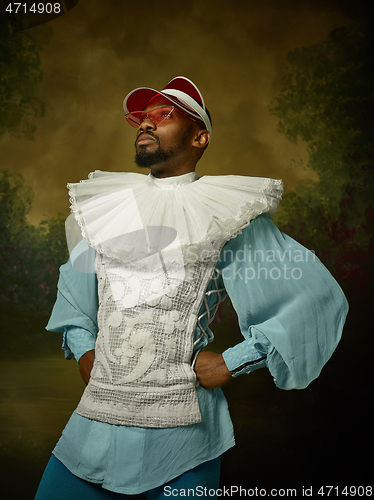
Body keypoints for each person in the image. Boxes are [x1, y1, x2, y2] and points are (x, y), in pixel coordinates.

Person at [35, 77, 348, 499]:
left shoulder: (229, 213)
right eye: (142, 118)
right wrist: (85, 346)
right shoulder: (105, 207)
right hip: (95, 425)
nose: (147, 124)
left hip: (183, 441)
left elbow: (313, 298)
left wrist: (234, 361)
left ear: (200, 136)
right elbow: (73, 289)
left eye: (164, 115)